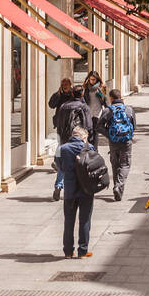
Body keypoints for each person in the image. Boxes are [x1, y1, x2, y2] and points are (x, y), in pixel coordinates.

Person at [55, 126, 96, 259]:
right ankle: (83, 251)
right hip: (86, 190)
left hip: (70, 191)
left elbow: (59, 165)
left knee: (69, 221)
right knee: (85, 220)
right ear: (83, 137)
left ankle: (68, 251)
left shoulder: (62, 148)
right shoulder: (90, 147)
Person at [52, 87, 92, 201]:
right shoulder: (83, 107)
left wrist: (60, 138)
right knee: (81, 163)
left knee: (63, 163)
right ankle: (79, 188)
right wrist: (89, 138)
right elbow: (88, 125)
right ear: (82, 94)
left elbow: (59, 123)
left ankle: (58, 186)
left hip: (65, 138)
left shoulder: (64, 106)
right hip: (79, 138)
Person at [97, 89, 135, 201]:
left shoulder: (108, 110)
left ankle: (117, 189)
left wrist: (109, 135)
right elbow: (134, 125)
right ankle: (118, 186)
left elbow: (98, 126)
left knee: (115, 164)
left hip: (113, 142)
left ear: (111, 98)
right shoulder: (129, 110)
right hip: (126, 141)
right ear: (121, 97)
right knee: (125, 165)